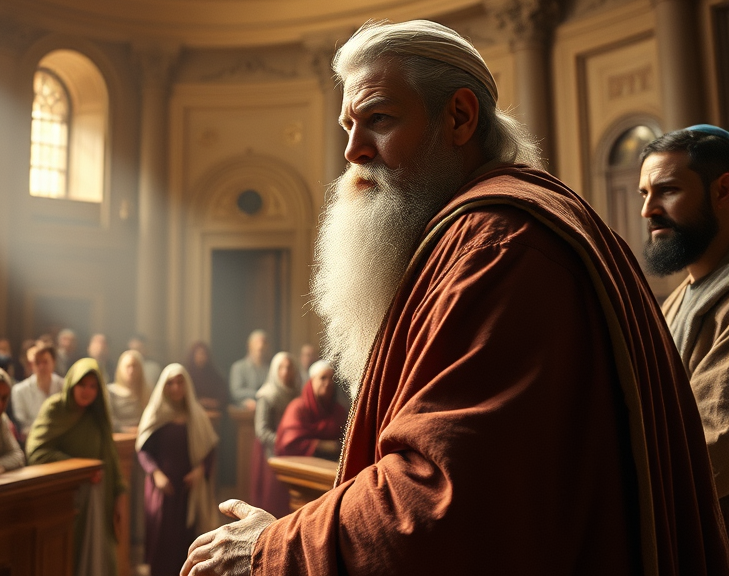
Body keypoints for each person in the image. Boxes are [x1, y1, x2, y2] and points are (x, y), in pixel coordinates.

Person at [181, 20, 729, 575]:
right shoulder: (489, 231)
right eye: (347, 125)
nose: (352, 150)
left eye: (379, 119)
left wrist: (273, 547)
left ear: (460, 117)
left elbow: (441, 498)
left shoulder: (498, 246)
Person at [639, 124, 729, 518]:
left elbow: (716, 445)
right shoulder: (674, 302)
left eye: (668, 190)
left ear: (723, 190)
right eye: (645, 194)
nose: (648, 210)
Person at [26, 358, 127, 576]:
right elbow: (36, 452)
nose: (87, 391)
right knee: (71, 553)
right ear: (71, 383)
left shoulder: (97, 413)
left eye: (93, 386)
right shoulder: (55, 408)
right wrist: (79, 471)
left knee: (99, 552)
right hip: (66, 497)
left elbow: (110, 452)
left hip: (100, 494)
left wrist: (119, 493)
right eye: (82, 385)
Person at [136, 364, 219, 576]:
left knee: (186, 539)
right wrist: (156, 474)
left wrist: (200, 471)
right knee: (161, 538)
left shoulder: (196, 414)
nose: (176, 387)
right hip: (162, 488)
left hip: (188, 487)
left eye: (180, 382)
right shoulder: (155, 412)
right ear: (163, 386)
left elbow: (210, 449)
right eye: (170, 383)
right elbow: (143, 451)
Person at [249, 352, 300, 518]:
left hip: (291, 453)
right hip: (270, 452)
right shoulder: (267, 395)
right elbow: (262, 430)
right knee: (271, 498)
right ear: (275, 371)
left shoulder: (296, 394)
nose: (286, 371)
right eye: (282, 367)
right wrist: (283, 442)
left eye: (289, 367)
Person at [274, 360, 346, 460]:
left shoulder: (339, 411)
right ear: (312, 381)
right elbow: (289, 443)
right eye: (323, 378)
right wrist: (321, 445)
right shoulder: (297, 408)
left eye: (332, 379)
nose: (328, 383)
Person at [11, 343, 64, 436]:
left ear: (54, 362)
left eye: (45, 362)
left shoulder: (64, 385)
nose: (41, 367)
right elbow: (22, 424)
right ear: (31, 365)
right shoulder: (19, 390)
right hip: (34, 438)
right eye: (37, 362)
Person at [228, 329, 270, 408]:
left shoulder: (270, 368)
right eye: (257, 342)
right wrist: (257, 394)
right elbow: (236, 392)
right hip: (244, 409)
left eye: (263, 343)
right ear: (249, 345)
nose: (260, 346)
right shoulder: (238, 367)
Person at [109, 349, 149, 431]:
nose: (131, 371)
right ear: (120, 369)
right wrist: (127, 430)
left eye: (135, 366)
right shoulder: (110, 391)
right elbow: (109, 419)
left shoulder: (147, 391)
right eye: (128, 366)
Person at [185, 341, 228, 412]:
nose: (201, 357)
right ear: (193, 356)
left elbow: (223, 396)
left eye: (203, 354)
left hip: (213, 412)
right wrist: (199, 402)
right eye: (198, 354)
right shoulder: (187, 374)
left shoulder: (215, 375)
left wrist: (213, 403)